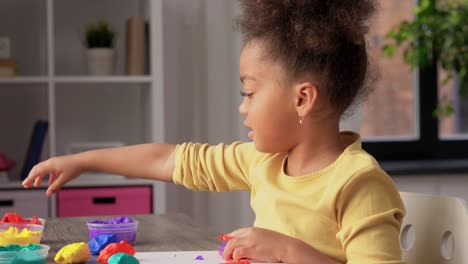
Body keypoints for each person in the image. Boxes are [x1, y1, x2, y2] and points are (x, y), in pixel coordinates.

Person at [23, 1, 406, 263]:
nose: (242, 106)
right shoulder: (264, 161)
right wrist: (82, 161)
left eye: (249, 92)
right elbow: (170, 159)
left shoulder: (359, 184)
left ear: (302, 99)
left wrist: (287, 251)